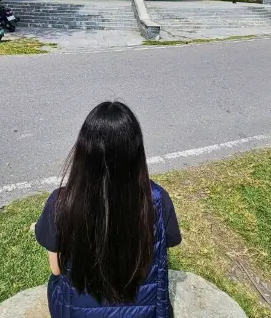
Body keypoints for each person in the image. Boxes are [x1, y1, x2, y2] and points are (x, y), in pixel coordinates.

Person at [35, 101, 182, 317]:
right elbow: (168, 245)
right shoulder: (157, 199)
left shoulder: (61, 201)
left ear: (84, 151)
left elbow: (56, 269)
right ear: (136, 151)